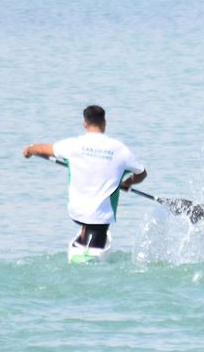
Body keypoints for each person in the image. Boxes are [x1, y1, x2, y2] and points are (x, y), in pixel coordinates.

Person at [22, 105, 146, 250]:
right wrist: (127, 183)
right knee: (97, 220)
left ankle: (83, 234)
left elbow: (42, 149)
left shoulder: (72, 145)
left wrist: (29, 150)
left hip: (77, 212)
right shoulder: (120, 149)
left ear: (85, 124)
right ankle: (88, 239)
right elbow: (142, 173)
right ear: (104, 122)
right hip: (100, 217)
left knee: (88, 218)